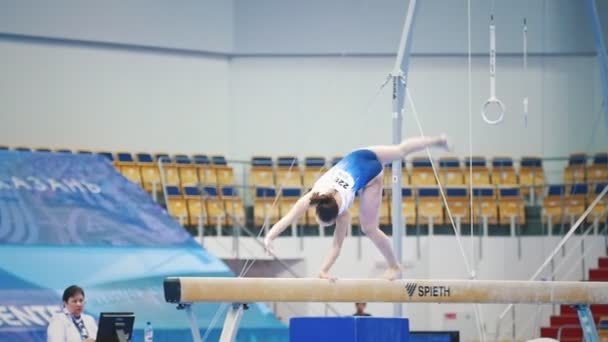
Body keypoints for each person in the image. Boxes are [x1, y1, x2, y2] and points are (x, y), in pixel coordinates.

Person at [264, 135, 450, 280]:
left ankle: (395, 267)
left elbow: (336, 245)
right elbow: (289, 219)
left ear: (336, 216)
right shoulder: (315, 194)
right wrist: (269, 237)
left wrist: (270, 237)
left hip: (372, 176)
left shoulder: (343, 214)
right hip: (361, 154)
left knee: (369, 228)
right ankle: (438, 141)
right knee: (400, 151)